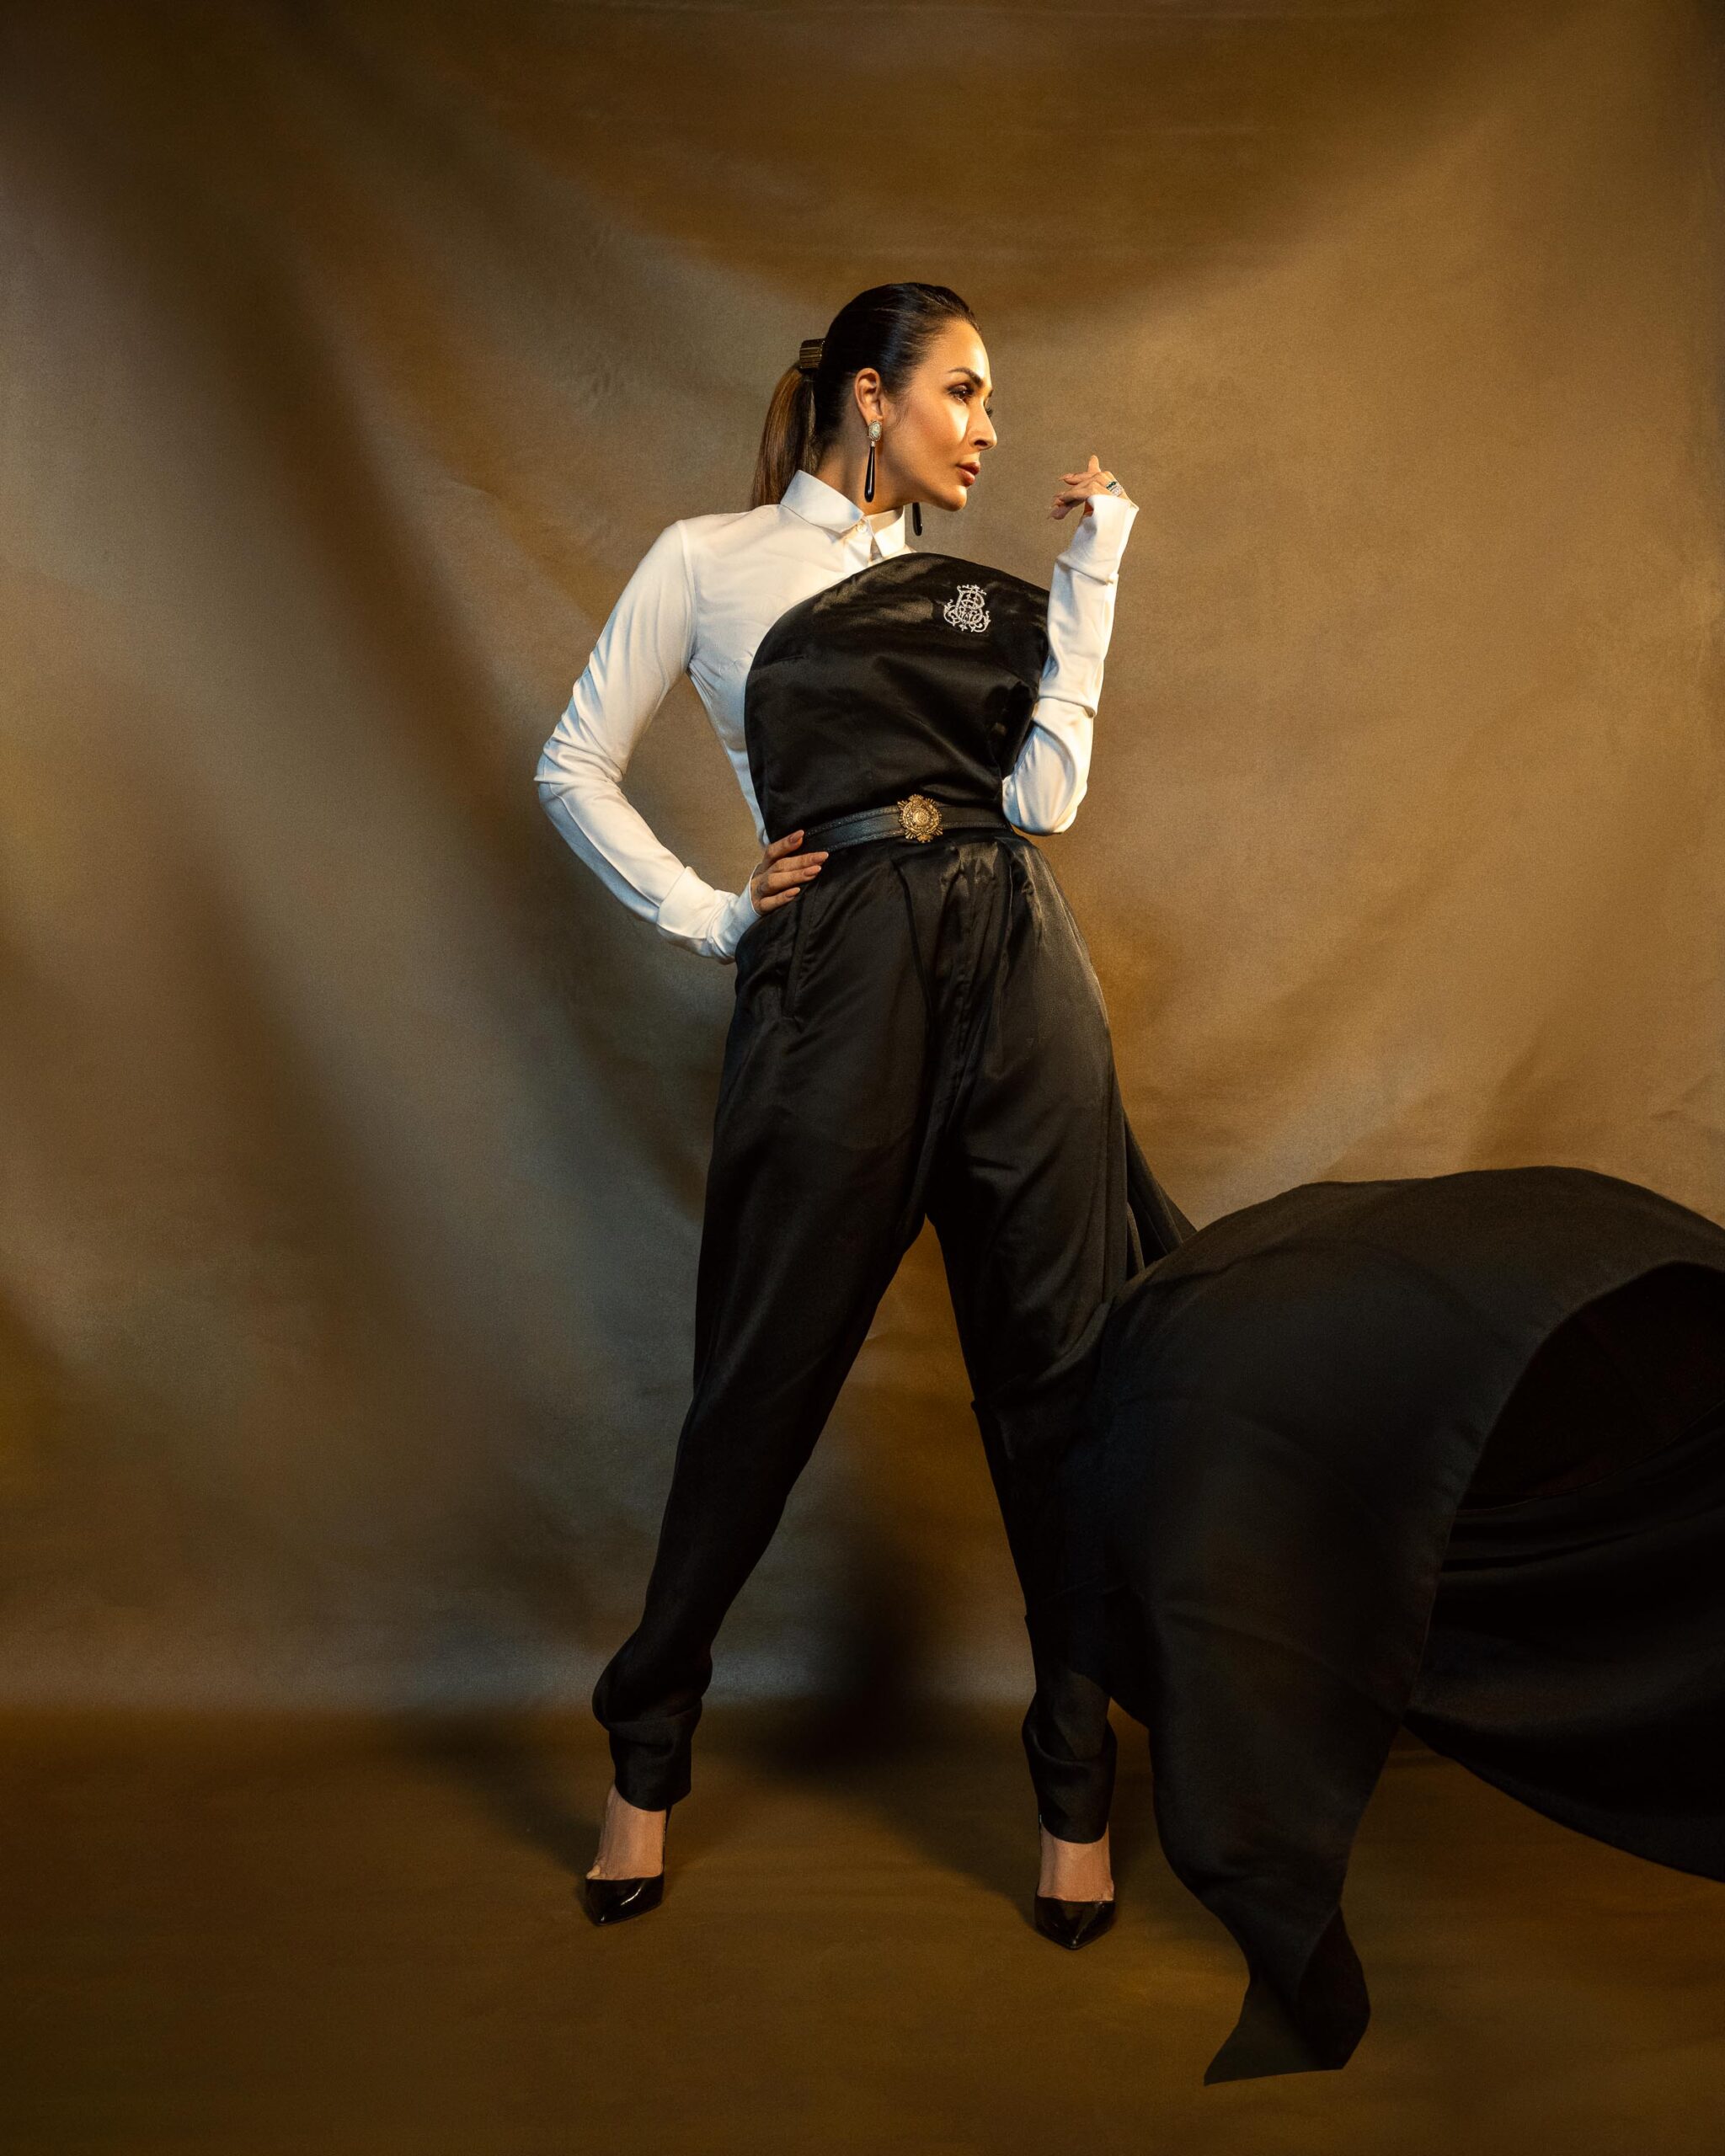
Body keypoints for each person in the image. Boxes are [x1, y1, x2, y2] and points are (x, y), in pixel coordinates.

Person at [534, 282, 1190, 1937]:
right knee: (762, 1373)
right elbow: (570, 762)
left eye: (992, 398)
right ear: (868, 394)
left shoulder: (975, 601)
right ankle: (645, 1751)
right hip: (841, 977)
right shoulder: (709, 561)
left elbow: (1043, 799)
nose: (987, 428)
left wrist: (1092, 574)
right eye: (962, 390)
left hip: (1017, 965)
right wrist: (713, 913)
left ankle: (1072, 1783)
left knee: (1058, 1381)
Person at [1055, 1161, 1725, 2081]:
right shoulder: (1212, 1412)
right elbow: (1237, 1704)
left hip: (1452, 1303)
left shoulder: (1220, 1373)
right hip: (1361, 1337)